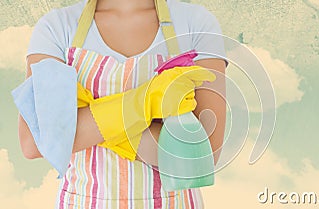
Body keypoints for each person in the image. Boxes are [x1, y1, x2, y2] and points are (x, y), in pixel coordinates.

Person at [17, 0, 227, 208]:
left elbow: (200, 159)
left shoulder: (196, 24)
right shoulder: (56, 27)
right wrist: (146, 101)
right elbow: (34, 142)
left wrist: (80, 124)